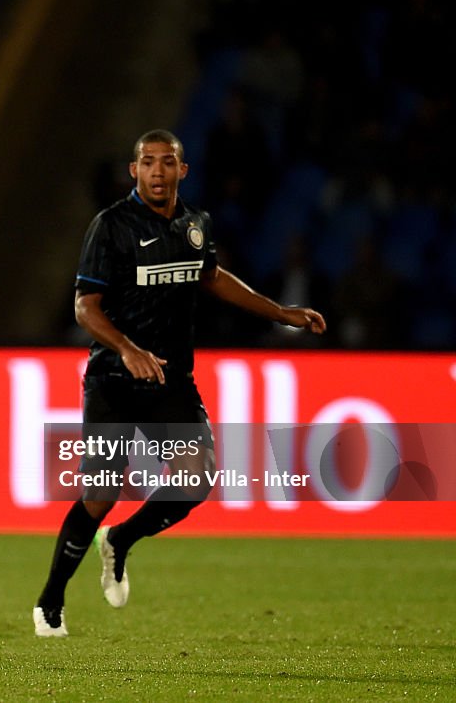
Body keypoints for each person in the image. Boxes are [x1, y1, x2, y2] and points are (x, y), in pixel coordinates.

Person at [33, 129, 325, 637]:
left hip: (170, 378)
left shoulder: (195, 224)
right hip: (114, 378)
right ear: (135, 171)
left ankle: (120, 542)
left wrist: (281, 313)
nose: (158, 172)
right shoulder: (111, 226)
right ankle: (51, 600)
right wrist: (128, 349)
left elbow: (211, 276)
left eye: (168, 163)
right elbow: (84, 307)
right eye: (148, 163)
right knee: (101, 493)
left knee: (197, 478)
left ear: (182, 171)